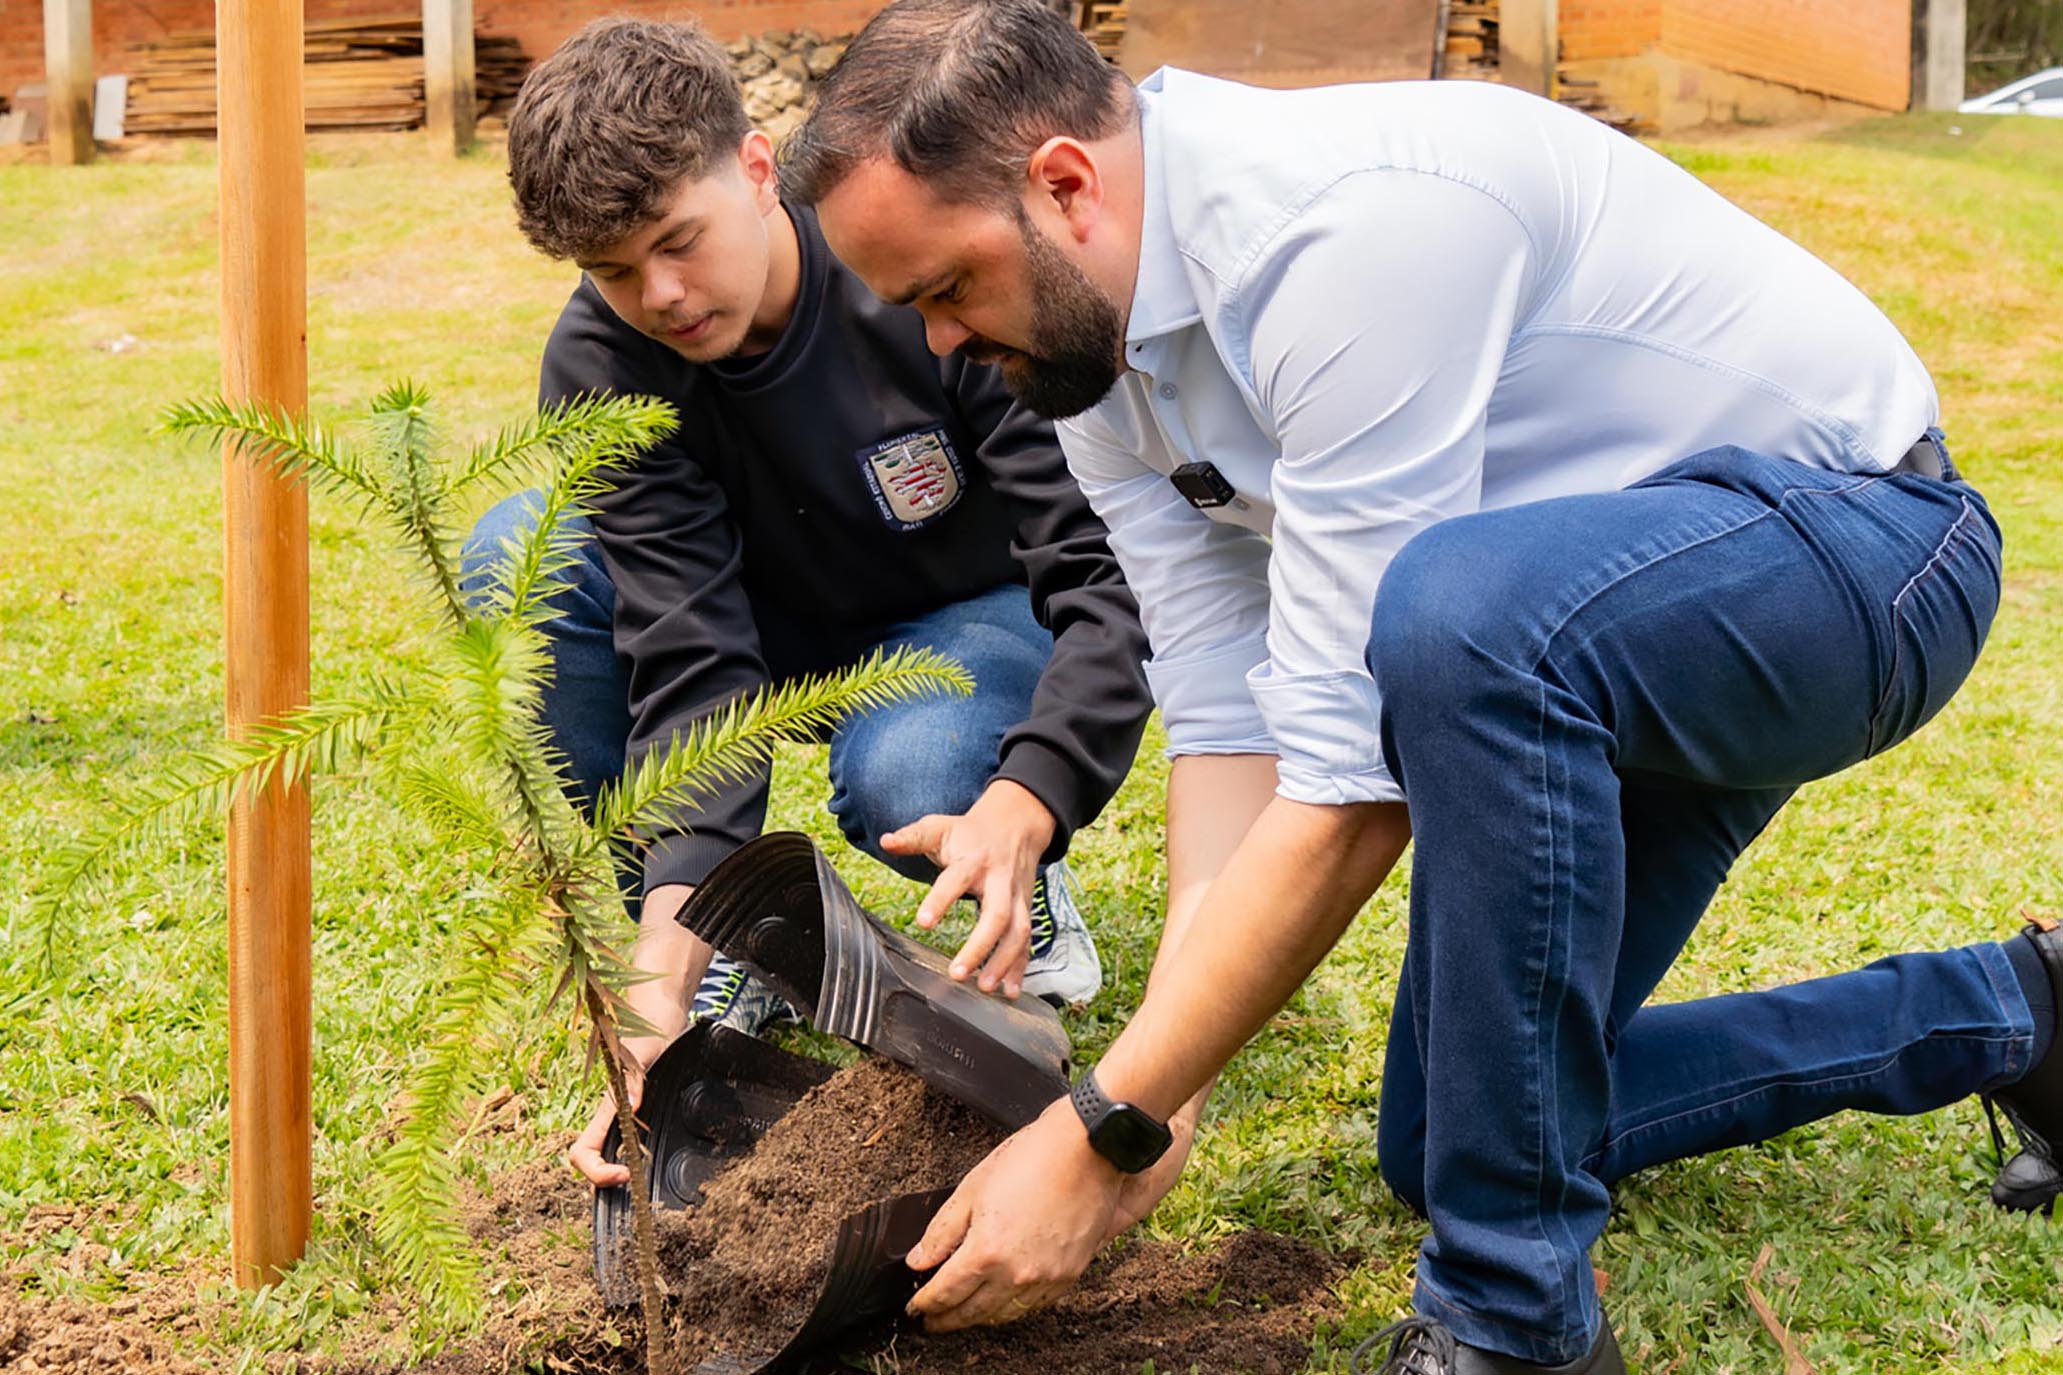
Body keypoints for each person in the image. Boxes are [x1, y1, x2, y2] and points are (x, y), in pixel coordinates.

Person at [780, 2, 2063, 1370]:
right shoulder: (1089, 361)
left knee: (1448, 615)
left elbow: (1350, 785)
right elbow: (1230, 715)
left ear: (1062, 185)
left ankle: (1512, 1324)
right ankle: (2017, 1013)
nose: (937, 346)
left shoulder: (1346, 232)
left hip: (1855, 558)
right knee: (1459, 1132)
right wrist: (1167, 1075)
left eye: (942, 288)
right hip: (1588, 655)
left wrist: (1104, 1119)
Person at [466, 17, 1154, 1189]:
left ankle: (1007, 874)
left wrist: (1029, 787)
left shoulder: (914, 268)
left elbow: (1095, 567)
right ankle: (717, 935)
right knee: (514, 560)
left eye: (677, 240)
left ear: (755, 164)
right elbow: (689, 657)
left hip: (959, 611)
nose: (662, 296)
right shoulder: (603, 359)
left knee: (913, 770)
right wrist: (656, 988)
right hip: (762, 620)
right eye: (615, 270)